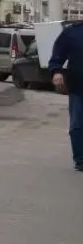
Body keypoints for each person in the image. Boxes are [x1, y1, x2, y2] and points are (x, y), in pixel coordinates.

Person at [47, 18, 83, 171]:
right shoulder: (72, 32)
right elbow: (57, 55)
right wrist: (56, 71)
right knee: (77, 125)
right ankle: (81, 159)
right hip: (78, 87)